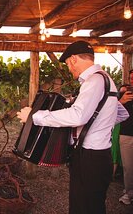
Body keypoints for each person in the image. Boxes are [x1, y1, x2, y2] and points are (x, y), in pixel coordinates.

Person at [16, 41, 129, 214]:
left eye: (68, 64)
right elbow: (120, 114)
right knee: (91, 205)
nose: (69, 68)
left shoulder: (94, 80)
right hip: (96, 156)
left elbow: (78, 115)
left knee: (83, 207)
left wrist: (34, 117)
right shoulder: (105, 78)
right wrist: (100, 126)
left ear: (74, 59)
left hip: (90, 157)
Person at [117, 71, 133, 205]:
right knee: (128, 167)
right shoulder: (123, 94)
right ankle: (129, 193)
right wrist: (121, 101)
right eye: (131, 78)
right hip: (126, 134)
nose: (132, 81)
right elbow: (111, 110)